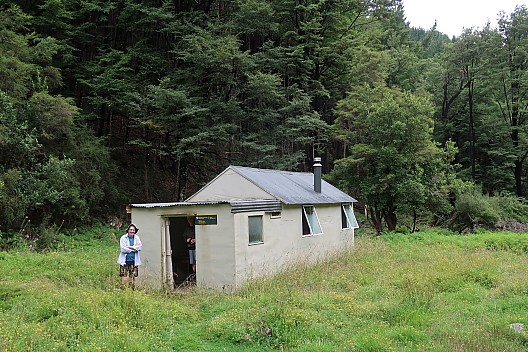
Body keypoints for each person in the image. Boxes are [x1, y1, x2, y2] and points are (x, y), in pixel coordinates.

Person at [117, 224, 142, 289]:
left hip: (134, 261)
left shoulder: (137, 238)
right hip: (124, 261)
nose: (132, 231)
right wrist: (134, 248)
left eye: (133, 230)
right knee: (124, 277)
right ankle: (123, 291)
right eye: (131, 230)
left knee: (133, 277)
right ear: (128, 230)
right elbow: (123, 249)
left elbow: (140, 247)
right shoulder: (123, 238)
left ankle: (131, 292)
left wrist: (129, 247)